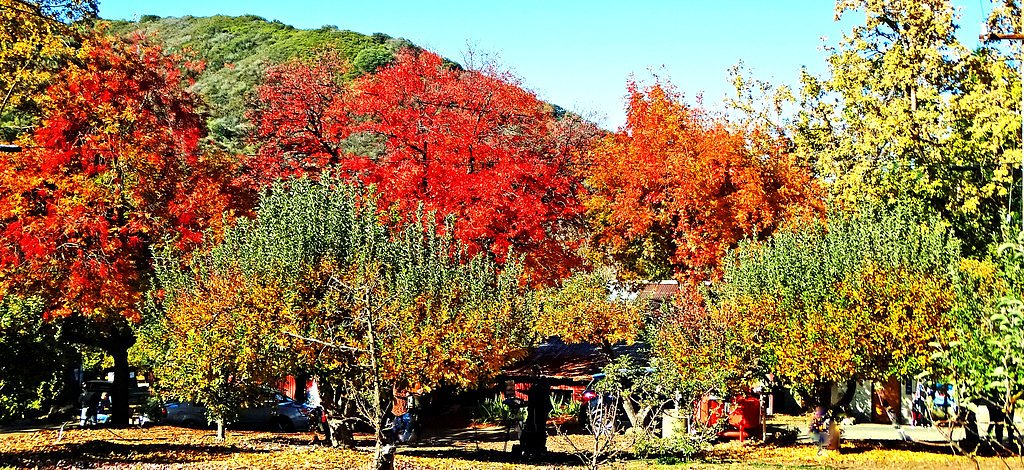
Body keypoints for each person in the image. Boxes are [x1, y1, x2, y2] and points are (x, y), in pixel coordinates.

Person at [521, 366, 552, 459]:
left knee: (538, 428)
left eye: (531, 373)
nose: (530, 376)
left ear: (536, 373)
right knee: (535, 427)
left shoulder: (541, 383)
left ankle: (538, 449)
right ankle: (533, 447)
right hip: (536, 409)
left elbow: (539, 397)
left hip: (539, 409)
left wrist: (531, 402)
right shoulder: (537, 384)